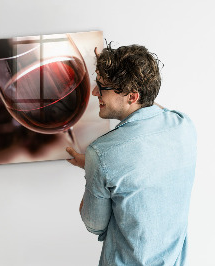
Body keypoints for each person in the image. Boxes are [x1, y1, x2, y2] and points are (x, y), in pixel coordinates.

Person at [66, 43, 197, 265]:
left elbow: (94, 224)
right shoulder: (184, 125)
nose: (95, 91)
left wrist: (92, 167)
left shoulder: (101, 154)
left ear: (132, 96)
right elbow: (150, 107)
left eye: (102, 87)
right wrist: (112, 73)